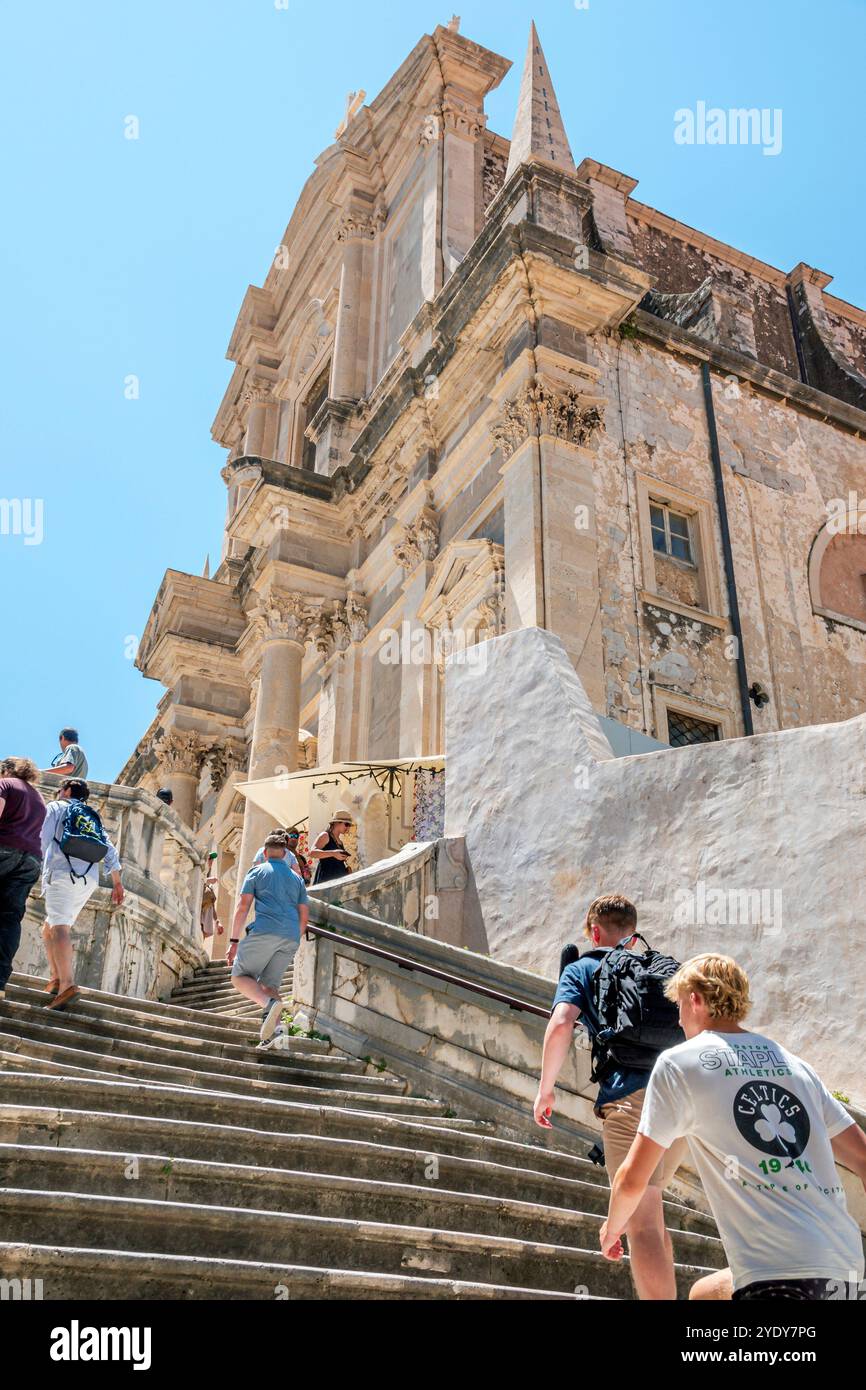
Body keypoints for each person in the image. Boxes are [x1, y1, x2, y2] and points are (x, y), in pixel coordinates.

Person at [600, 954, 866, 1302]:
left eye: (679, 1006)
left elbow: (633, 1178)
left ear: (695, 999)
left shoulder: (679, 1063)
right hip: (845, 1268)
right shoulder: (796, 1065)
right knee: (704, 1295)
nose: (678, 1020)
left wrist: (612, 1228)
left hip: (778, 1278)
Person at [533, 894, 687, 1300]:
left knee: (641, 1223)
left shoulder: (584, 966)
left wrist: (545, 1090)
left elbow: (562, 1022)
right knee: (652, 1215)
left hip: (630, 1099)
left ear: (594, 931)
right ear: (633, 932)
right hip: (683, 1099)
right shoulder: (660, 969)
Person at [40, 779, 124, 1010]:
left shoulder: (57, 807)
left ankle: (67, 984)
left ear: (66, 790)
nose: (59, 792)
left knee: (59, 927)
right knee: (49, 926)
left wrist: (32, 865)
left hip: (61, 871)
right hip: (88, 878)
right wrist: (117, 882)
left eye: (61, 789)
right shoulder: (90, 814)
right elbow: (109, 848)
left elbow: (42, 837)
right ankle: (56, 978)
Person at [228, 830, 309, 1045]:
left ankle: (269, 1005)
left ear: (264, 853)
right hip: (291, 936)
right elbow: (304, 914)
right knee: (270, 986)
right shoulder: (297, 879)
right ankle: (280, 1033)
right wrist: (295, 937)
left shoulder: (256, 873)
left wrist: (234, 941)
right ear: (284, 854)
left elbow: (242, 907)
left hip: (265, 930)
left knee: (239, 977)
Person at [0, 757, 47, 1000]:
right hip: (31, 860)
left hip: (4, 847)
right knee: (9, 919)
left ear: (6, 770)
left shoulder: (5, 785)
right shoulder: (40, 799)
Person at [310, 812, 354, 886]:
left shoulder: (340, 842)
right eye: (347, 824)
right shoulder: (325, 835)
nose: (348, 827)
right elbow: (312, 853)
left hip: (337, 884)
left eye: (349, 825)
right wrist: (333, 853)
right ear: (337, 823)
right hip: (325, 882)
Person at [200, 854, 223, 942]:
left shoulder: (209, 883)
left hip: (205, 921)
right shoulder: (200, 873)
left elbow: (212, 905)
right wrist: (207, 880)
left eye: (212, 860)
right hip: (199, 918)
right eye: (209, 859)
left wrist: (217, 921)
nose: (211, 861)